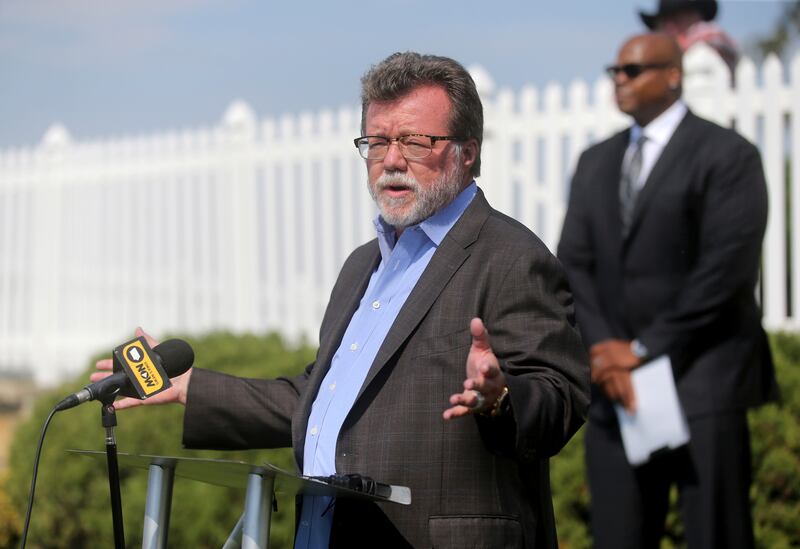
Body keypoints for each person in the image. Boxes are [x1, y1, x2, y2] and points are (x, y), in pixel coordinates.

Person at [94, 52, 590, 548]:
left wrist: (500, 399)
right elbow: (321, 399)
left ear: (467, 153)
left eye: (415, 141)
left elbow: (561, 396)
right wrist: (190, 388)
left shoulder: (510, 256)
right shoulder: (363, 266)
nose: (392, 160)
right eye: (377, 141)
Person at [557, 33, 779, 549]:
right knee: (619, 534)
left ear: (673, 75)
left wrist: (640, 350)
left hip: (703, 381)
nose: (619, 79)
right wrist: (606, 354)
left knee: (715, 534)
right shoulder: (595, 162)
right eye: (614, 70)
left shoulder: (728, 155)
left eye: (633, 70)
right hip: (617, 390)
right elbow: (575, 265)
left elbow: (726, 271)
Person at [639, 0, 739, 77]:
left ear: (698, 17)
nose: (671, 28)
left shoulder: (709, 47)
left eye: (678, 19)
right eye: (664, 23)